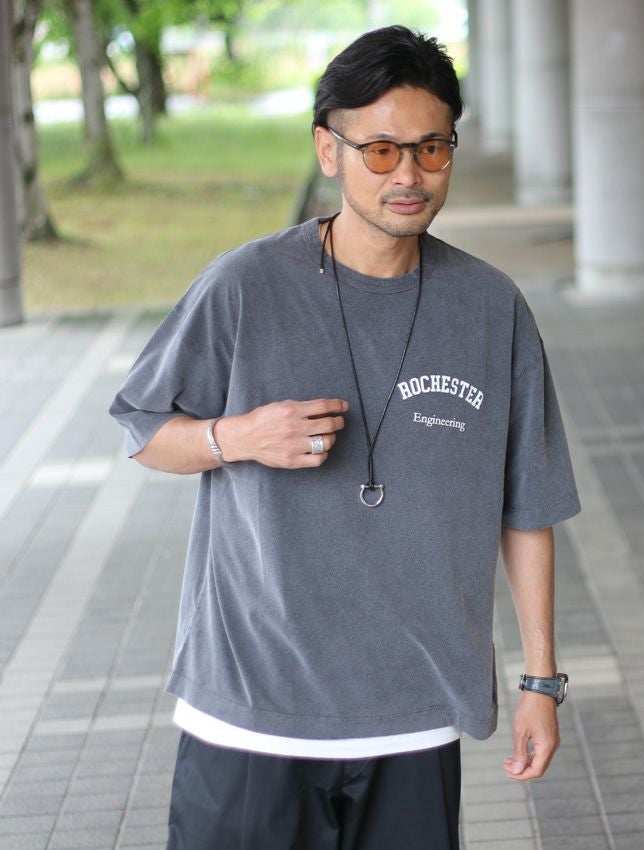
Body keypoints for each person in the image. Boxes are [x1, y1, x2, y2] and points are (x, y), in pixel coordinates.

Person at [110, 24, 580, 850]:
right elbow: (144, 429)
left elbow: (528, 507)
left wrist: (540, 681)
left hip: (415, 713)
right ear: (329, 150)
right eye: (382, 150)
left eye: (432, 149)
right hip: (252, 712)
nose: (409, 175)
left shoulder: (490, 307)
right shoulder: (245, 285)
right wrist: (235, 436)